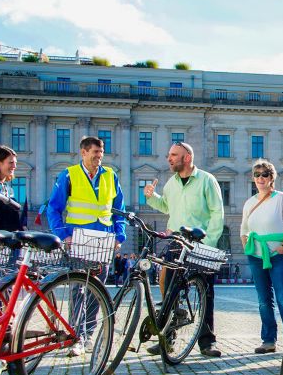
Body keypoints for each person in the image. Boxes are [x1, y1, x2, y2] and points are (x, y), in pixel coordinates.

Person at [47, 136, 127, 357]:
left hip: (103, 240)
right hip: (78, 239)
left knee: (96, 290)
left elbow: (119, 210)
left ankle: (88, 335)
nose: (98, 159)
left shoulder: (111, 176)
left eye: (101, 154)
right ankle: (76, 336)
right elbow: (53, 209)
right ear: (83, 153)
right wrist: (63, 235)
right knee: (77, 289)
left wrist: (119, 236)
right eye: (94, 154)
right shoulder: (69, 175)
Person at [143, 141, 224, 358]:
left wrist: (210, 243)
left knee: (205, 293)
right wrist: (152, 197)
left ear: (186, 157)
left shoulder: (207, 180)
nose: (169, 158)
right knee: (169, 291)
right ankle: (167, 339)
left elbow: (217, 212)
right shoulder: (171, 183)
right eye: (169, 155)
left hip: (200, 244)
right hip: (176, 242)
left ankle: (207, 342)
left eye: (173, 155)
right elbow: (167, 208)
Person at [240, 159, 283, 354]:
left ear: (272, 178)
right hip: (257, 256)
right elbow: (244, 228)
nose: (260, 178)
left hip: (279, 255)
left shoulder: (281, 198)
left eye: (264, 174)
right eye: (257, 175)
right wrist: (246, 244)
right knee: (263, 300)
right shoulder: (250, 202)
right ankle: (268, 340)